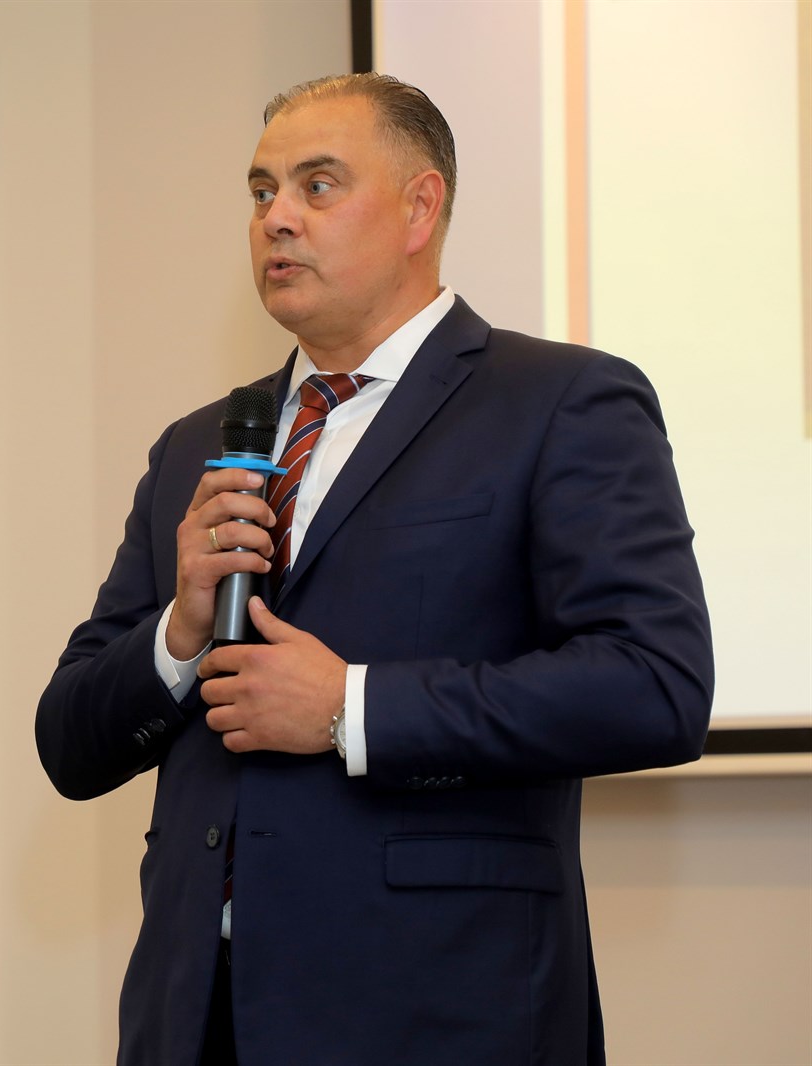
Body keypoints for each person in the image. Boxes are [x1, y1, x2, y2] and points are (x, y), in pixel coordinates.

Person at [35, 73, 712, 1066]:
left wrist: (349, 707)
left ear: (419, 208)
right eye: (261, 191)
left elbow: (654, 686)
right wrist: (179, 632)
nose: (276, 218)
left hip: (439, 1015)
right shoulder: (200, 446)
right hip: (196, 1021)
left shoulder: (560, 402)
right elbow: (70, 745)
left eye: (317, 186)